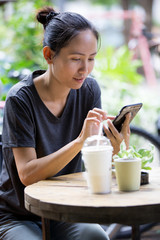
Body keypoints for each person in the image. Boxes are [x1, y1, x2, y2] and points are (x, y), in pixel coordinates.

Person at [0, 7, 130, 240]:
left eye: (91, 59)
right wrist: (81, 141)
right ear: (49, 55)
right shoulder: (20, 99)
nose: (85, 69)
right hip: (19, 214)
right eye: (76, 59)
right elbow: (27, 175)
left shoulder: (89, 90)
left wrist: (116, 146)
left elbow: (95, 163)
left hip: (64, 209)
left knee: (96, 237)